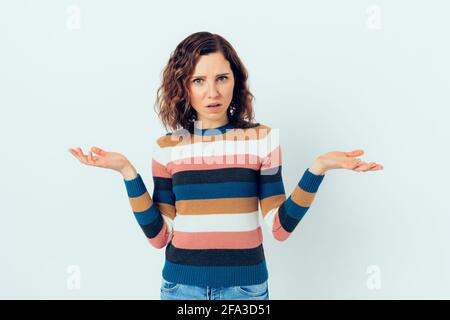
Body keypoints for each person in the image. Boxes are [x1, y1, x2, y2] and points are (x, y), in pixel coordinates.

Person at [68, 31, 383, 300]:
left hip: (244, 290)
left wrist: (318, 168)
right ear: (183, 85)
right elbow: (160, 236)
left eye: (221, 78)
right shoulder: (166, 148)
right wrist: (127, 172)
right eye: (199, 80)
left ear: (236, 80)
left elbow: (279, 228)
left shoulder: (264, 140)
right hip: (180, 289)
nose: (212, 92)